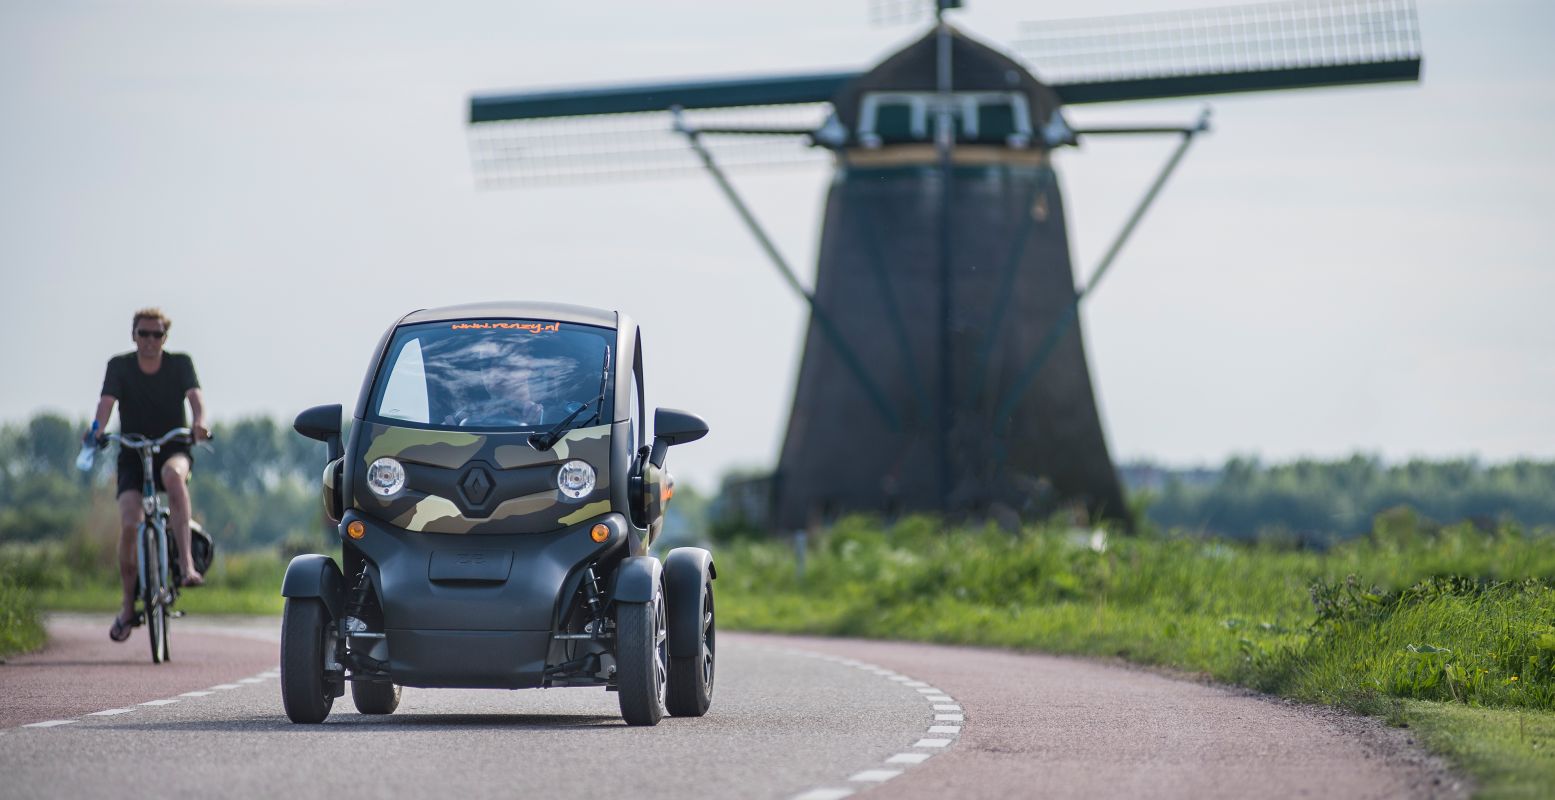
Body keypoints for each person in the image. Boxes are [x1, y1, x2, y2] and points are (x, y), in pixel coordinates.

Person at [90, 308, 210, 643]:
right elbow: (105, 403)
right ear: (134, 336)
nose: (150, 341)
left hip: (172, 447)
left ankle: (186, 565)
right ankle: (128, 607)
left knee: (174, 477)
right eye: (144, 334)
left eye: (156, 335)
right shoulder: (119, 366)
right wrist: (97, 430)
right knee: (130, 522)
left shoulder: (180, 364)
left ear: (165, 338)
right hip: (132, 454)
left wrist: (199, 421)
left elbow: (196, 399)